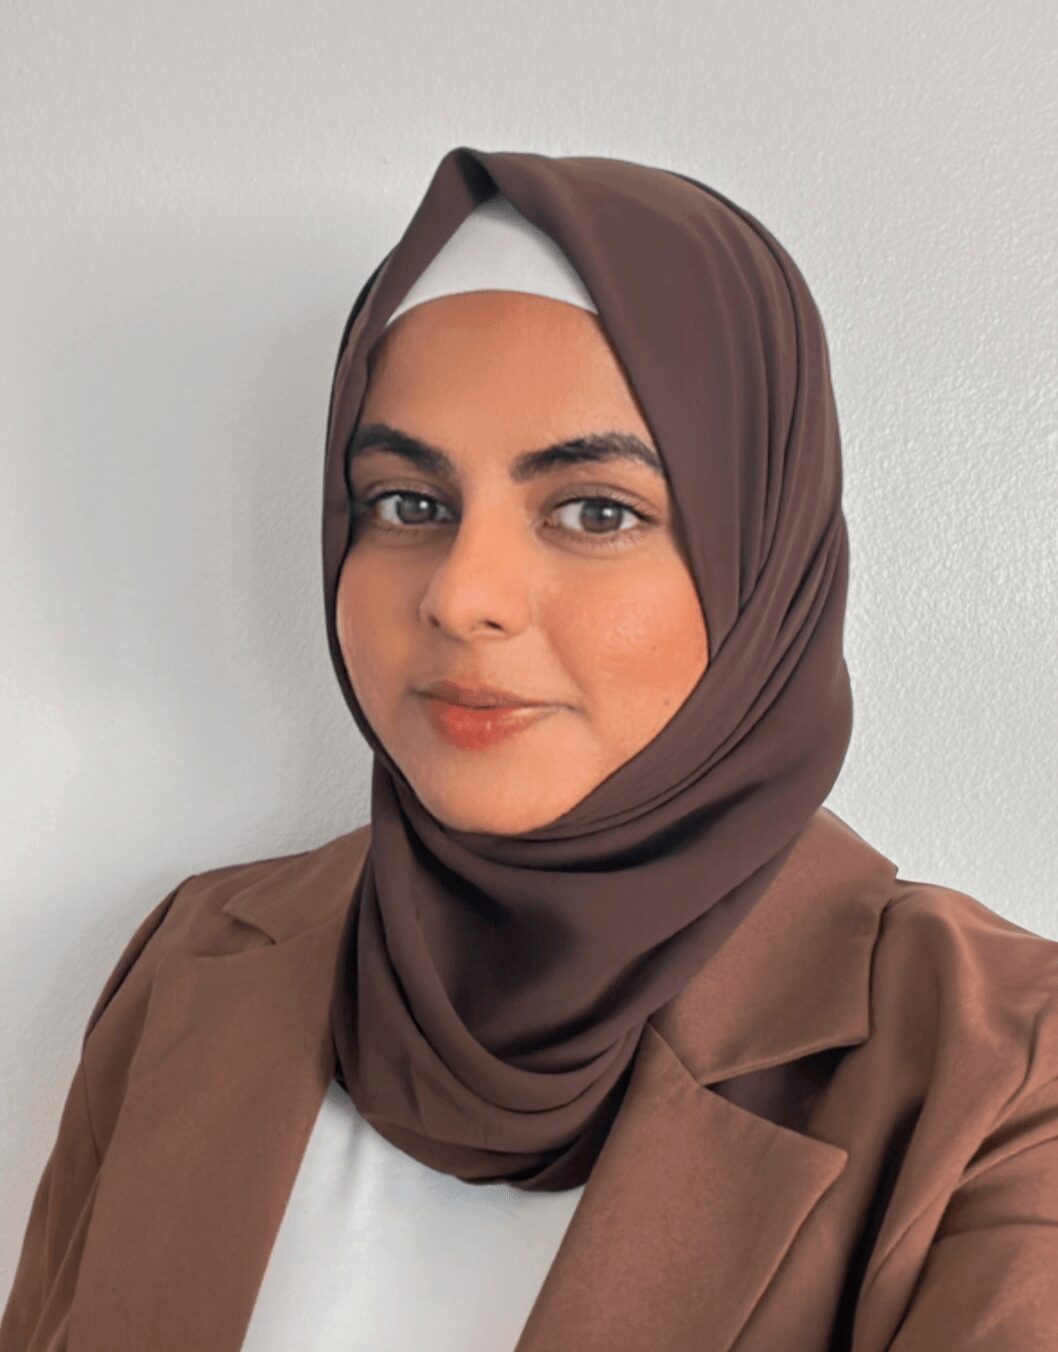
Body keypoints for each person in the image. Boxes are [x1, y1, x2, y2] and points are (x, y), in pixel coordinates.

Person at [3, 146, 1057, 1352]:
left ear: (760, 565)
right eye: (405, 502)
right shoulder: (198, 958)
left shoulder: (997, 1074)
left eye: (594, 510)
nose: (462, 597)